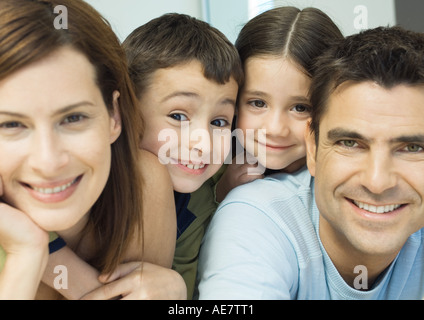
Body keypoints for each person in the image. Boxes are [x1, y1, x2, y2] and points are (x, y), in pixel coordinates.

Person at [197, 25, 424, 299]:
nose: (377, 182)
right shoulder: (253, 212)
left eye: (412, 148)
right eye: (350, 143)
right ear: (312, 146)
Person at [0, 0, 184, 300]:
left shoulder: (143, 181)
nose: (48, 161)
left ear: (114, 115)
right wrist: (27, 255)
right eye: (10, 125)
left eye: (73, 118)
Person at [122, 13, 243, 299]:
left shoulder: (208, 194)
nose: (202, 144)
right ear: (126, 111)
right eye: (178, 116)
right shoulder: (93, 174)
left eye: (219, 122)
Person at [215, 6, 343, 202]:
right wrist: (220, 192)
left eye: (300, 108)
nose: (275, 129)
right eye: (258, 103)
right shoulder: (203, 164)